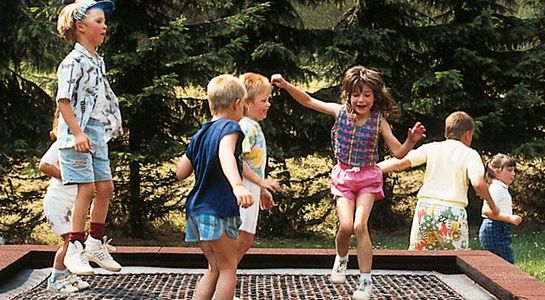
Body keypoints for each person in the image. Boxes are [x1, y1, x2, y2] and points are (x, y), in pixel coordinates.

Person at [271, 65, 426, 300]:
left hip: (368, 178)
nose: (361, 100)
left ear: (375, 97)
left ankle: (365, 282)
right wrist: (285, 85)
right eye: (356, 94)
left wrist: (410, 141)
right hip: (344, 177)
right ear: (348, 95)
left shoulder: (379, 121)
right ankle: (341, 259)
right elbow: (308, 100)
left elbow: (397, 153)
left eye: (366, 94)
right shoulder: (338, 112)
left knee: (359, 226)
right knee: (345, 226)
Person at [56, 0, 123, 275]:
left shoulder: (96, 60)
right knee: (87, 189)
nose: (104, 26)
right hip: (76, 135)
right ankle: (75, 247)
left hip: (95, 131)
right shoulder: (73, 61)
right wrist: (78, 133)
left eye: (105, 21)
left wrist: (112, 122)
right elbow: (64, 100)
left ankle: (95, 242)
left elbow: (101, 96)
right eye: (98, 21)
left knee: (106, 187)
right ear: (81, 27)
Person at [176, 74, 253, 300]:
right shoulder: (230, 128)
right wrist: (238, 185)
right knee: (229, 268)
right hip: (218, 209)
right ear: (236, 104)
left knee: (214, 269)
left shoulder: (200, 133)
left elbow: (180, 172)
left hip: (196, 211)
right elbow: (225, 153)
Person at [378, 111, 501, 252]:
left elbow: (400, 163)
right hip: (452, 212)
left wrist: (372, 169)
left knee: (418, 260)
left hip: (425, 210)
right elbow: (478, 184)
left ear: (446, 131)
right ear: (468, 134)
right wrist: (493, 206)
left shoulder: (432, 147)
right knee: (458, 260)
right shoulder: (470, 154)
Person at [39, 110, 90, 293]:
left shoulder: (80, 143)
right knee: (69, 241)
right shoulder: (61, 143)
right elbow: (44, 165)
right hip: (57, 202)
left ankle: (68, 275)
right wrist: (68, 177)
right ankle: (55, 279)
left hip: (70, 205)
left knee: (77, 240)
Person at [237, 72, 281, 263]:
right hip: (244, 190)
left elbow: (254, 164)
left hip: (252, 188)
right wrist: (260, 182)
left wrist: (261, 189)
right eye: (263, 100)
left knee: (245, 240)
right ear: (247, 103)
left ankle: (224, 283)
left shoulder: (253, 126)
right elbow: (239, 160)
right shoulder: (246, 127)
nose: (268, 104)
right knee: (240, 239)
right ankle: (222, 285)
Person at [479, 153, 523, 263]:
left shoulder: (501, 188)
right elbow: (486, 210)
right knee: (506, 262)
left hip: (500, 228)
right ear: (497, 172)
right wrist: (509, 218)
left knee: (503, 262)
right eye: (509, 170)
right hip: (494, 229)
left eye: (514, 170)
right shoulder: (496, 188)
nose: (513, 174)